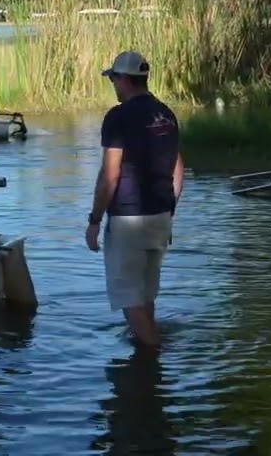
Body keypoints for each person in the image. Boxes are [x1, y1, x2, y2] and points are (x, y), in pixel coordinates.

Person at [85, 50, 184, 349]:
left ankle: (155, 358)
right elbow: (178, 169)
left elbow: (110, 175)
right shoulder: (165, 113)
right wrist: (169, 212)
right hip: (160, 216)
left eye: (113, 78)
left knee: (129, 301)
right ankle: (145, 356)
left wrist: (93, 220)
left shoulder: (118, 117)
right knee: (145, 295)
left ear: (124, 79)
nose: (113, 84)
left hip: (129, 220)